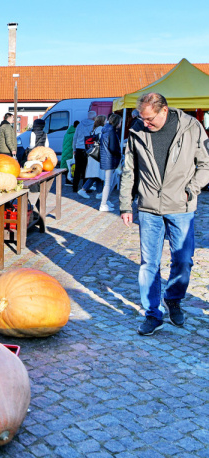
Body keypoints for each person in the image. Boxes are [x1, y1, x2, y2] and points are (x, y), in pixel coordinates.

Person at [120, 92, 209, 336]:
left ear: (164, 111)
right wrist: (126, 205)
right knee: (149, 263)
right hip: (149, 208)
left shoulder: (191, 127)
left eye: (149, 119)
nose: (145, 123)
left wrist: (192, 189)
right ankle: (153, 314)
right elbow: (129, 170)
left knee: (184, 260)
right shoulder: (136, 130)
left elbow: (206, 164)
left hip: (181, 207)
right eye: (142, 118)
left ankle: (173, 298)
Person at [78, 115, 106, 199]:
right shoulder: (101, 129)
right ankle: (83, 189)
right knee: (96, 175)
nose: (106, 121)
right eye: (105, 120)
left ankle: (99, 193)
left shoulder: (94, 129)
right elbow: (101, 141)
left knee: (97, 175)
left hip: (93, 154)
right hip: (97, 155)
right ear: (102, 121)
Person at [99, 114, 122, 211]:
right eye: (120, 122)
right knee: (108, 183)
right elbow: (112, 148)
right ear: (117, 122)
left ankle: (106, 200)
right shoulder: (111, 131)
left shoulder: (107, 129)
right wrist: (119, 153)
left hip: (107, 158)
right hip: (110, 159)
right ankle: (103, 204)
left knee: (112, 181)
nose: (121, 124)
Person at [72, 111, 97, 193]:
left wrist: (74, 149)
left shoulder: (79, 125)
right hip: (88, 149)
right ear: (94, 117)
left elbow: (75, 138)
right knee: (86, 169)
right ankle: (85, 188)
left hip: (78, 149)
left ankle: (75, 187)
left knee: (77, 169)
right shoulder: (94, 125)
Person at [61, 120, 79, 186]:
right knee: (71, 165)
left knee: (67, 165)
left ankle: (67, 181)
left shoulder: (67, 133)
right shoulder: (74, 134)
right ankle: (70, 181)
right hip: (71, 152)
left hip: (65, 151)